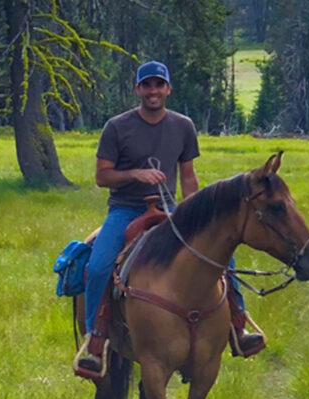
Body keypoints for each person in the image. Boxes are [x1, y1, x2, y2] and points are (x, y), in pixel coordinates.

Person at [78, 60, 263, 373]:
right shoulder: (117, 127)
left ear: (168, 89)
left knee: (222, 255)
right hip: (126, 209)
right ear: (138, 89)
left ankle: (238, 326)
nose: (153, 91)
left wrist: (197, 212)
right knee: (97, 266)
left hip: (170, 209)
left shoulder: (183, 126)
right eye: (147, 85)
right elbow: (102, 176)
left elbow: (188, 175)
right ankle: (96, 342)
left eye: (159, 85)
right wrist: (135, 174)